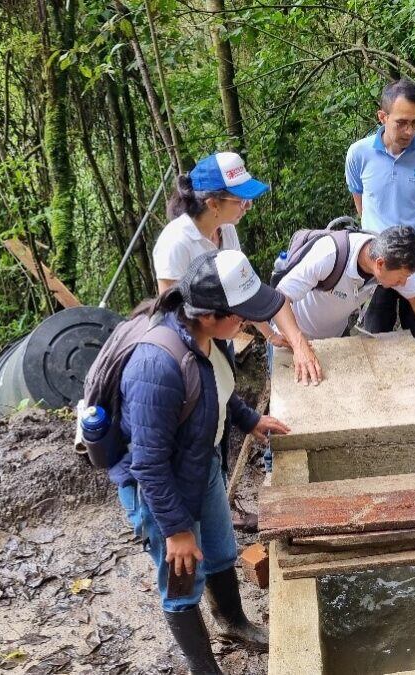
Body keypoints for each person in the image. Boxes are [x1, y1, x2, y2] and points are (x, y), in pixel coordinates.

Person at [110, 249, 290, 674]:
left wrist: (248, 420)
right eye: (241, 313)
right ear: (208, 313)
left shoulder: (213, 339)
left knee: (221, 549)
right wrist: (175, 530)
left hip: (200, 462)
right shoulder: (157, 366)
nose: (248, 321)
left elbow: (216, 391)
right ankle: (204, 669)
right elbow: (148, 463)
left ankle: (232, 622)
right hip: (161, 487)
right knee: (182, 577)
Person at [153, 151, 323, 385]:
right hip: (189, 353)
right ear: (213, 203)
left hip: (223, 339)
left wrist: (272, 335)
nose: (248, 206)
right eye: (241, 200)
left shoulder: (226, 230)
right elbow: (170, 314)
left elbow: (244, 289)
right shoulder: (175, 243)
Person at [272, 226, 415, 376]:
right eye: (401, 277)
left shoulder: (392, 260)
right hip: (289, 338)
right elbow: (279, 300)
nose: (404, 283)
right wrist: (299, 346)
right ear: (380, 264)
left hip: (332, 338)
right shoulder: (329, 255)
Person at [345, 78, 415, 346]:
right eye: (401, 122)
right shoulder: (358, 154)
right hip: (376, 269)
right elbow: (362, 207)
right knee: (374, 342)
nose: (409, 131)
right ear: (382, 117)